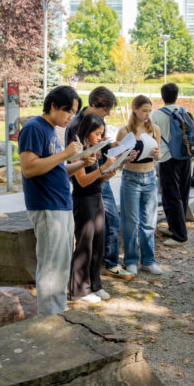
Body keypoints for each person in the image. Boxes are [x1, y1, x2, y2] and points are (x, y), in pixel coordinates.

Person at [18, 85, 95, 317]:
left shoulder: (51, 130)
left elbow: (57, 169)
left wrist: (82, 163)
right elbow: (29, 168)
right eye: (68, 111)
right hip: (47, 206)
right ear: (52, 106)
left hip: (60, 205)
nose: (70, 117)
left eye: (73, 112)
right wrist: (65, 153)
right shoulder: (34, 128)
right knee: (51, 268)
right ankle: (49, 320)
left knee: (60, 268)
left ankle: (57, 315)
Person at [66, 86, 134, 281]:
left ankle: (104, 267)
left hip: (99, 175)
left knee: (109, 222)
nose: (108, 114)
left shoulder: (97, 121)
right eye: (105, 110)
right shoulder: (75, 125)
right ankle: (90, 276)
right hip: (86, 183)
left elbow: (98, 147)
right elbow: (78, 158)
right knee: (91, 233)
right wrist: (101, 168)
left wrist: (112, 148)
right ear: (94, 104)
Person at [69, 114, 117, 304]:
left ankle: (95, 284)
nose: (100, 138)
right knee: (84, 244)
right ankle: (79, 290)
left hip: (97, 196)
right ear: (87, 131)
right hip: (83, 200)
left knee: (98, 242)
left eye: (102, 134)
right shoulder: (78, 148)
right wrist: (102, 167)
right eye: (97, 134)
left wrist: (108, 172)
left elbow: (97, 178)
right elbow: (81, 180)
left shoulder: (94, 149)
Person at [117, 95, 162, 276]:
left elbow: (159, 157)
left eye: (150, 111)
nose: (147, 114)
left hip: (150, 177)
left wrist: (157, 154)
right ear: (134, 109)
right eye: (144, 110)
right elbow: (117, 160)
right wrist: (125, 158)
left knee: (149, 222)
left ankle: (149, 261)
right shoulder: (124, 131)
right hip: (130, 178)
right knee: (130, 222)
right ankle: (131, 260)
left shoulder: (155, 129)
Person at [151, 83, 192, 247]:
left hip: (167, 158)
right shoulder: (185, 112)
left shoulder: (157, 115)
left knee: (171, 196)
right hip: (185, 156)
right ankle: (175, 228)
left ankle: (180, 236)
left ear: (162, 96)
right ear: (177, 95)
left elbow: (152, 138)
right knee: (183, 193)